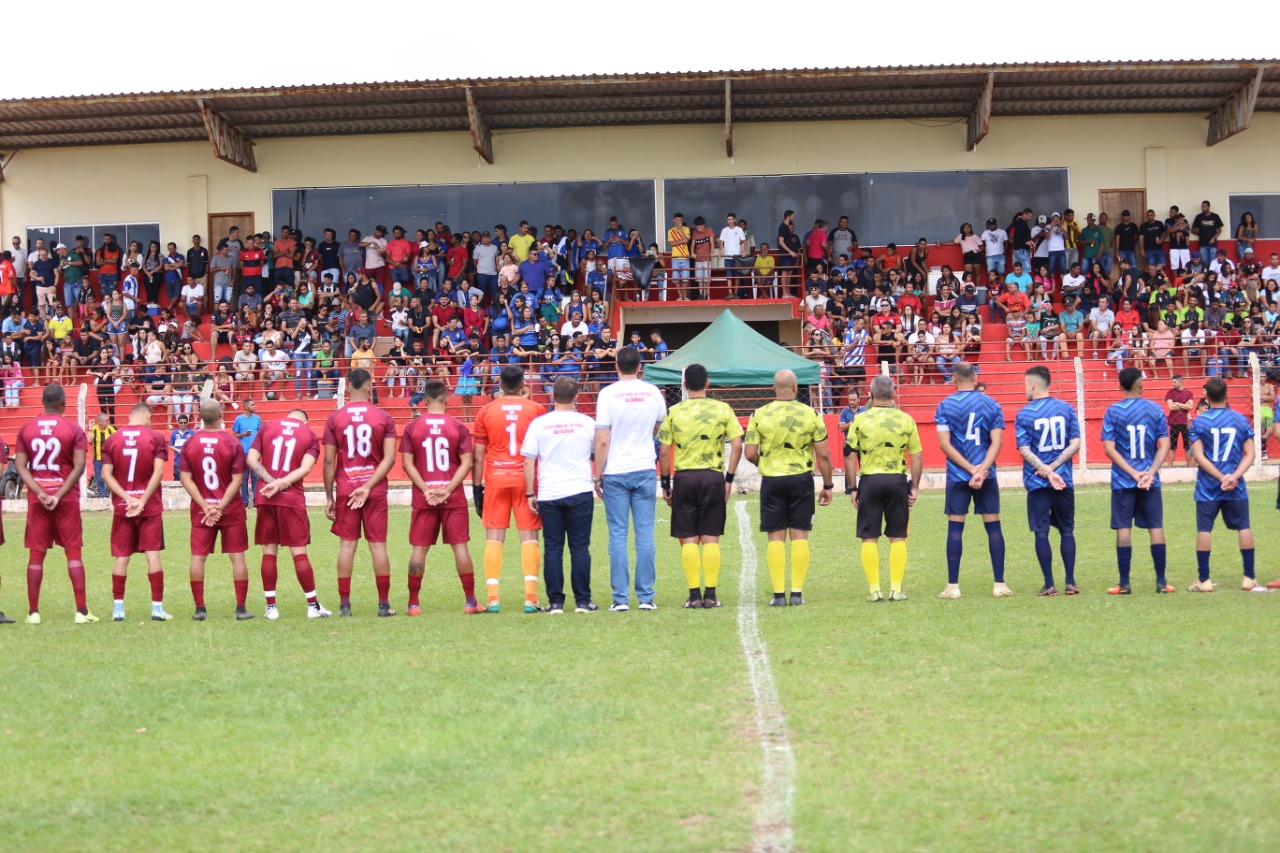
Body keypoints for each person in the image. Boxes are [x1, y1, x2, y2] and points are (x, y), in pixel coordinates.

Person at [657, 363, 744, 610]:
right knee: (711, 538)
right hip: (713, 477)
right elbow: (737, 445)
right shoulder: (723, 409)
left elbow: (664, 451)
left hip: (684, 477)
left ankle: (694, 595)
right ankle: (712, 595)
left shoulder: (674, 411)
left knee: (689, 538)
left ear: (684, 385)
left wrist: (665, 483)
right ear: (707, 384)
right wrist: (728, 479)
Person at [744, 369, 834, 606]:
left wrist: (764, 462)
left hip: (772, 480)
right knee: (799, 535)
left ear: (773, 388)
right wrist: (827, 484)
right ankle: (796, 594)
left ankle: (777, 595)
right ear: (795, 388)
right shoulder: (812, 414)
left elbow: (750, 453)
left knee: (775, 536)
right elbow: (823, 454)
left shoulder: (759, 414)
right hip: (800, 479)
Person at [594, 346, 668, 611]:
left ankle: (620, 598)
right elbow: (662, 426)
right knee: (645, 533)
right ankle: (646, 597)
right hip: (644, 467)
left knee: (617, 534)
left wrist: (597, 474)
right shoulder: (651, 392)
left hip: (615, 470)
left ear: (616, 366)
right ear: (640, 367)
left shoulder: (607, 394)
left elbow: (602, 439)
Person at [399, 380, 480, 615]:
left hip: (424, 498)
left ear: (424, 401)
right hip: (452, 497)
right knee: (460, 547)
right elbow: (467, 462)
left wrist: (426, 489)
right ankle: (470, 602)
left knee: (419, 549)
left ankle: (413, 603)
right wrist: (447, 489)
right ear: (446, 399)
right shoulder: (457, 426)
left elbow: (406, 463)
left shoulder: (413, 427)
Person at [323, 368, 399, 616]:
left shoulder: (335, 418)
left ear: (348, 387)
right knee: (378, 547)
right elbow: (389, 459)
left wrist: (329, 496)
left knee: (347, 546)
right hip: (374, 488)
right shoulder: (383, 417)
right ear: (369, 387)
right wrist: (368, 486)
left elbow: (328, 462)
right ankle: (384, 605)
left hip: (347, 487)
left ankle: (345, 605)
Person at [16, 384, 93, 624]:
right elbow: (79, 465)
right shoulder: (73, 429)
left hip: (37, 499)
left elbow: (20, 466)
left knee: (36, 555)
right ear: (63, 403)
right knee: (73, 552)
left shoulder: (26, 428)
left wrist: (39, 491)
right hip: (66, 498)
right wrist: (58, 494)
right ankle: (81, 612)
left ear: (42, 401)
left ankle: (33, 613)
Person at [521, 377, 599, 614]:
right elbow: (597, 452)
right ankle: (583, 601)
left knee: (553, 547)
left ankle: (555, 601)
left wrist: (530, 493)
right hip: (579, 490)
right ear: (577, 397)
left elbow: (528, 461)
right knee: (579, 547)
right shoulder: (588, 423)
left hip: (550, 492)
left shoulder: (540, 424)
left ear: (552, 396)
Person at [472, 365, 545, 613]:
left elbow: (478, 455)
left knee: (494, 538)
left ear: (500, 384)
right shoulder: (536, 409)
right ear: (523, 383)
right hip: (526, 480)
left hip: (496, 479)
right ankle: (530, 598)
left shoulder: (486, 411)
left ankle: (493, 599)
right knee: (529, 537)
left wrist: (476, 488)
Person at [934, 361, 1011, 599]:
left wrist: (969, 469)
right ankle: (999, 585)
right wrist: (982, 470)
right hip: (987, 474)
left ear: (954, 379)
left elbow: (944, 444)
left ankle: (953, 587)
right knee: (994, 527)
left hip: (958, 475)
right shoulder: (991, 404)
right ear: (975, 378)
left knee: (956, 528)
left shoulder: (945, 405)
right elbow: (997, 441)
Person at [247, 409, 331, 619]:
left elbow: (252, 460)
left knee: (269, 551)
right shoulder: (309, 434)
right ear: (306, 421)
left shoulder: (267, 427)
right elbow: (305, 468)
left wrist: (270, 482)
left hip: (265, 497)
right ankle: (312, 606)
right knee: (298, 552)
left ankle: (271, 608)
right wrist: (282, 483)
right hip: (291, 498)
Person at [845, 375, 922, 603]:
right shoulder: (906, 420)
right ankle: (896, 590)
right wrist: (914, 486)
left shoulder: (859, 419)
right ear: (893, 393)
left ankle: (874, 590)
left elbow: (849, 455)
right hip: (896, 480)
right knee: (898, 536)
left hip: (870, 481)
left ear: (870, 394)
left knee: (869, 537)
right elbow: (916, 457)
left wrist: (852, 487)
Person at [1101, 368, 1173, 595]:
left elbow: (1109, 449)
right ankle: (1161, 582)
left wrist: (1133, 474)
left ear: (1120, 386)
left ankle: (1124, 583)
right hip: (1150, 480)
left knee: (1123, 528)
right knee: (1156, 527)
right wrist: (1149, 472)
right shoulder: (1155, 409)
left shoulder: (1113, 411)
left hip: (1123, 481)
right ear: (1141, 384)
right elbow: (1165, 445)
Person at [180, 400, 252, 620]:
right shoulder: (232, 442)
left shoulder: (191, 442)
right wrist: (220, 506)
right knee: (237, 557)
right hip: (231, 508)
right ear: (221, 414)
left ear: (200, 416)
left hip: (202, 511)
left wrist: (205, 506)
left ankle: (200, 609)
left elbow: (185, 478)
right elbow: (238, 478)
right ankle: (240, 608)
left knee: (198, 558)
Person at [101, 403, 173, 622]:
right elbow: (159, 471)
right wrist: (141, 500)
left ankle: (118, 609)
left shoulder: (112, 439)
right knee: (153, 555)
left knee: (122, 557)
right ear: (147, 416)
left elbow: (105, 475)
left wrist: (127, 499)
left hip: (124, 509)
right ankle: (157, 608)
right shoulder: (155, 437)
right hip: (149, 507)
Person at [1015, 366, 1082, 596]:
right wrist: (1054, 468)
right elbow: (1075, 443)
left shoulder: (1024, 414)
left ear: (1033, 384)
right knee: (1067, 530)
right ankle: (1070, 582)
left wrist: (1044, 469)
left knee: (1041, 531)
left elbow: (1024, 449)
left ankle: (1049, 583)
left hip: (1037, 482)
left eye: (1025, 384)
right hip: (1063, 479)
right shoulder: (1066, 409)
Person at [1187, 377, 1258, 592]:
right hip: (1235, 485)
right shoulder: (1240, 419)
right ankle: (1249, 578)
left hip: (1208, 486)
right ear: (1227, 395)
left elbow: (1198, 455)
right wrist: (1233, 476)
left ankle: (1204, 580)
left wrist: (1220, 478)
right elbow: (1251, 453)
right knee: (1243, 526)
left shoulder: (1199, 421)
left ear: (1206, 397)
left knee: (1204, 529)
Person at [1164, 374, 1194, 466]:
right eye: (1172, 382)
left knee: (1187, 446)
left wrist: (1177, 403)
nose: (1173, 384)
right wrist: (1184, 405)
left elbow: (1191, 406)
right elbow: (1171, 407)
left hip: (1185, 422)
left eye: (1175, 382)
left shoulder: (1188, 393)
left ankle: (1189, 465)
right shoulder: (1170, 392)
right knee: (1172, 446)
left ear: (1181, 382)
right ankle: (1170, 466)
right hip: (1174, 422)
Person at [89, 412, 117, 498]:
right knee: (99, 476)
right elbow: (89, 440)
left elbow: (118, 437)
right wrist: (90, 428)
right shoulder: (94, 429)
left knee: (112, 475)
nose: (109, 421)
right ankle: (102, 495)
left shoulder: (110, 429)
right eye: (107, 420)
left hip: (109, 458)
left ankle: (113, 493)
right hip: (98, 457)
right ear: (100, 421)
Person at [168, 414, 194, 483]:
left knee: (190, 480)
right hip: (177, 461)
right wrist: (178, 450)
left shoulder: (191, 433)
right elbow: (170, 445)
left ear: (187, 423)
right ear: (178, 422)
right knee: (177, 479)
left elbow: (194, 445)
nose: (183, 424)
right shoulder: (174, 433)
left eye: (185, 422)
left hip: (189, 461)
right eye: (181, 422)